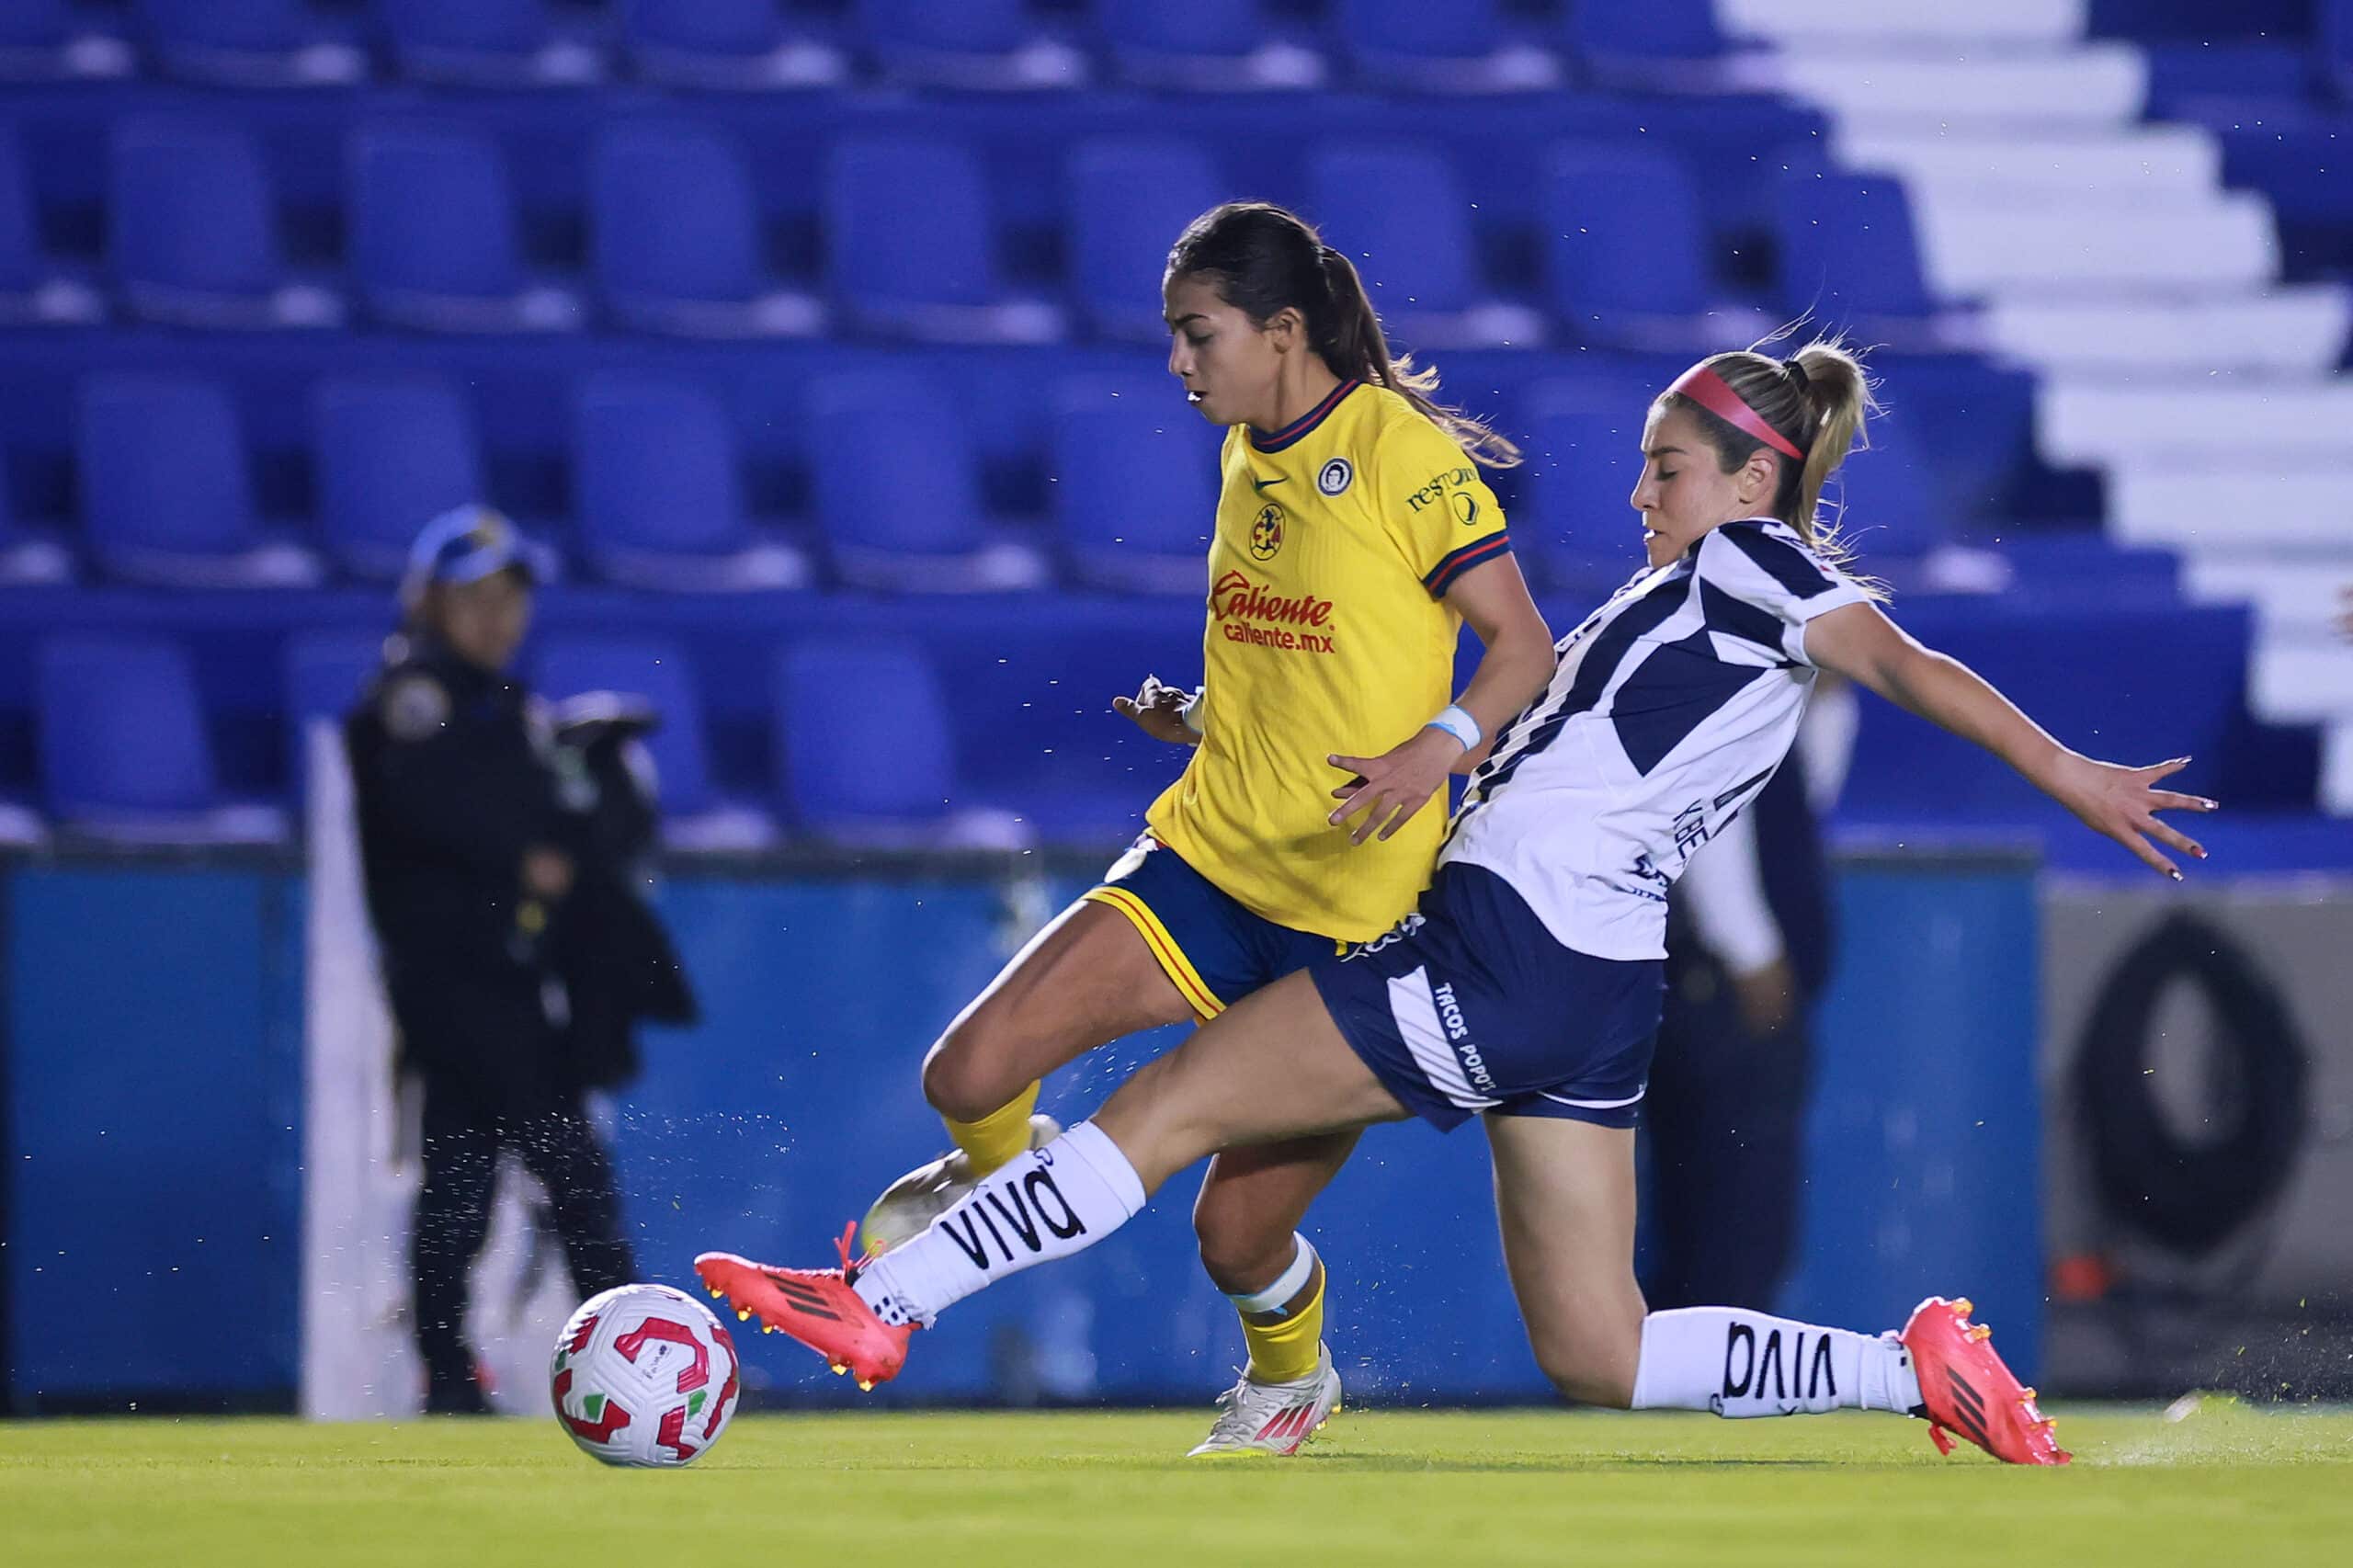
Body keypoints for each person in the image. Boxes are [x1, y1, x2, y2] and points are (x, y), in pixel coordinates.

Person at [699, 339, 2221, 1466]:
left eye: (1668, 468)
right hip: (1589, 981)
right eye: (1641, 466)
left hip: (1511, 952)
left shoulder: (1754, 561)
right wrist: (1234, 732)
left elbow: (1903, 658)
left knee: (1166, 1107)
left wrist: (2065, 769)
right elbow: (1512, 760)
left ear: (1757, 480)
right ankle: (1920, 1371)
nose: (1640, 493)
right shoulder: (1685, 598)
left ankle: (882, 1294)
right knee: (1598, 1348)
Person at [855, 200, 1556, 1452]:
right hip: (1211, 862)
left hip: (1349, 923)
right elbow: (1302, 647)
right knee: (964, 1074)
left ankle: (1291, 1378)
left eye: (1199, 335)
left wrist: (1434, 749)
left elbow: (1523, 645)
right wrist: (1206, 715)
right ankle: (998, 1170)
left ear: (1283, 331)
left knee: (1233, 1236)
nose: (1180, 363)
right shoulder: (1246, 448)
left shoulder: (1399, 455)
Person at [346, 506, 672, 1413]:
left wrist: (583, 765)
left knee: (460, 1170)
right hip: (460, 976)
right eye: (474, 597)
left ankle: (447, 1371)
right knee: (571, 1167)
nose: (497, 617)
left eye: (510, 597)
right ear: (431, 602)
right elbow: (454, 811)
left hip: (490, 976)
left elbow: (542, 819)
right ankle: (634, 1362)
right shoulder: (417, 699)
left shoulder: (497, 703)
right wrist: (541, 822)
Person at [1643, 681, 1849, 1310]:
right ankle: (1711, 1375)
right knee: (1735, 1210)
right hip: (1723, 992)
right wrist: (1751, 954)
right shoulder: (1731, 688)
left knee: (1713, 1206)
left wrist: (1827, 687)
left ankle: (1691, 1368)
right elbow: (1711, 819)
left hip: (1703, 987)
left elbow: (1804, 795)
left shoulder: (1773, 694)